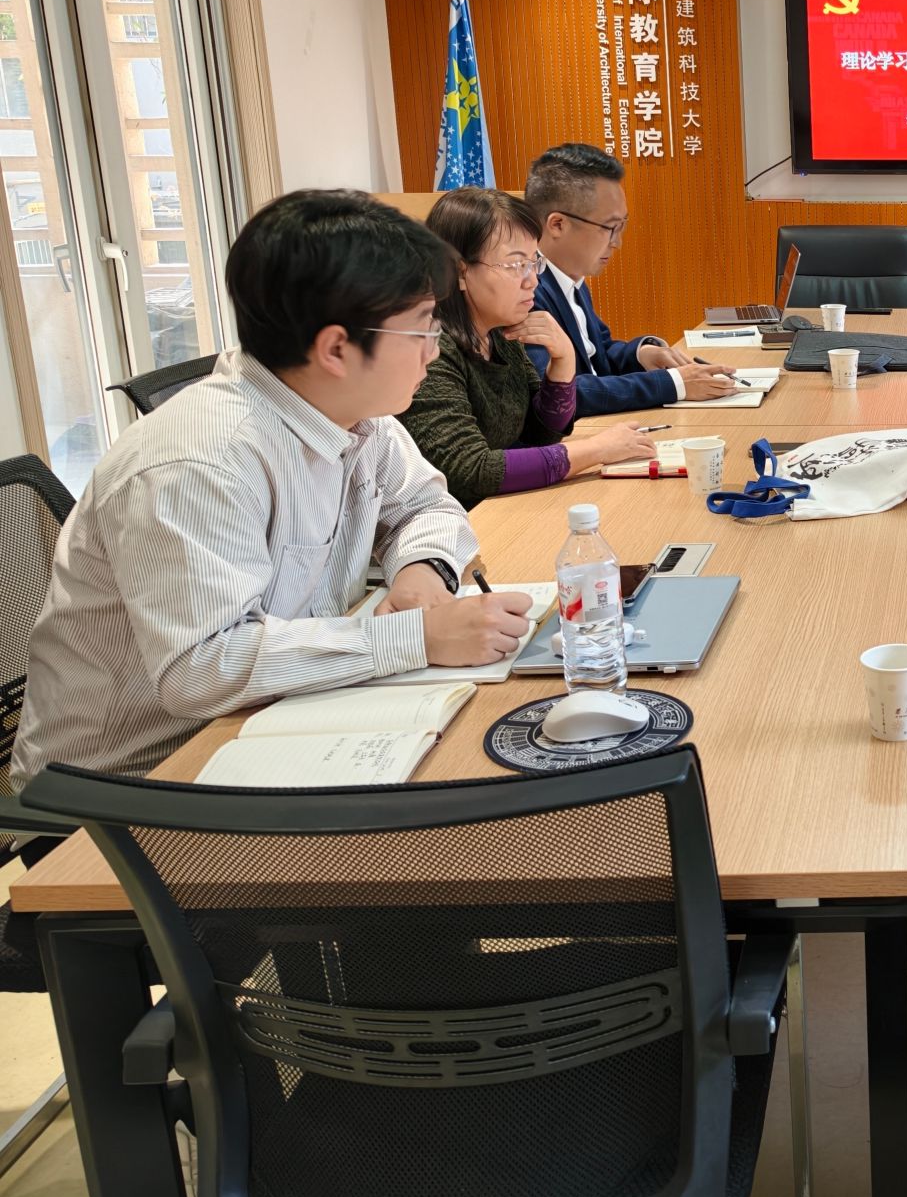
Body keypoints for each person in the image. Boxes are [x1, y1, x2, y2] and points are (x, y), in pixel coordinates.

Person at [9, 190, 535, 793]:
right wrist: (416, 638)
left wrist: (423, 569)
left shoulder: (357, 415)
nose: (434, 350)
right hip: (131, 783)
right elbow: (201, 668)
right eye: (421, 329)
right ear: (336, 348)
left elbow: (427, 504)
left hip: (274, 717)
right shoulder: (198, 461)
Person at [401, 188, 656, 509]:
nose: (532, 280)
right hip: (458, 523)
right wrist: (597, 449)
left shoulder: (499, 334)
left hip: (504, 510)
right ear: (460, 272)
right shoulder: (431, 350)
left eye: (534, 262)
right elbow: (470, 471)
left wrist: (563, 360)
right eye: (515, 264)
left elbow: (541, 432)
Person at [522, 143, 738, 414]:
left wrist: (641, 353)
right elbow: (557, 392)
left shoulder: (570, 277)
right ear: (558, 224)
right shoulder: (524, 292)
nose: (617, 242)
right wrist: (672, 384)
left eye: (622, 226)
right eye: (610, 227)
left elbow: (598, 354)